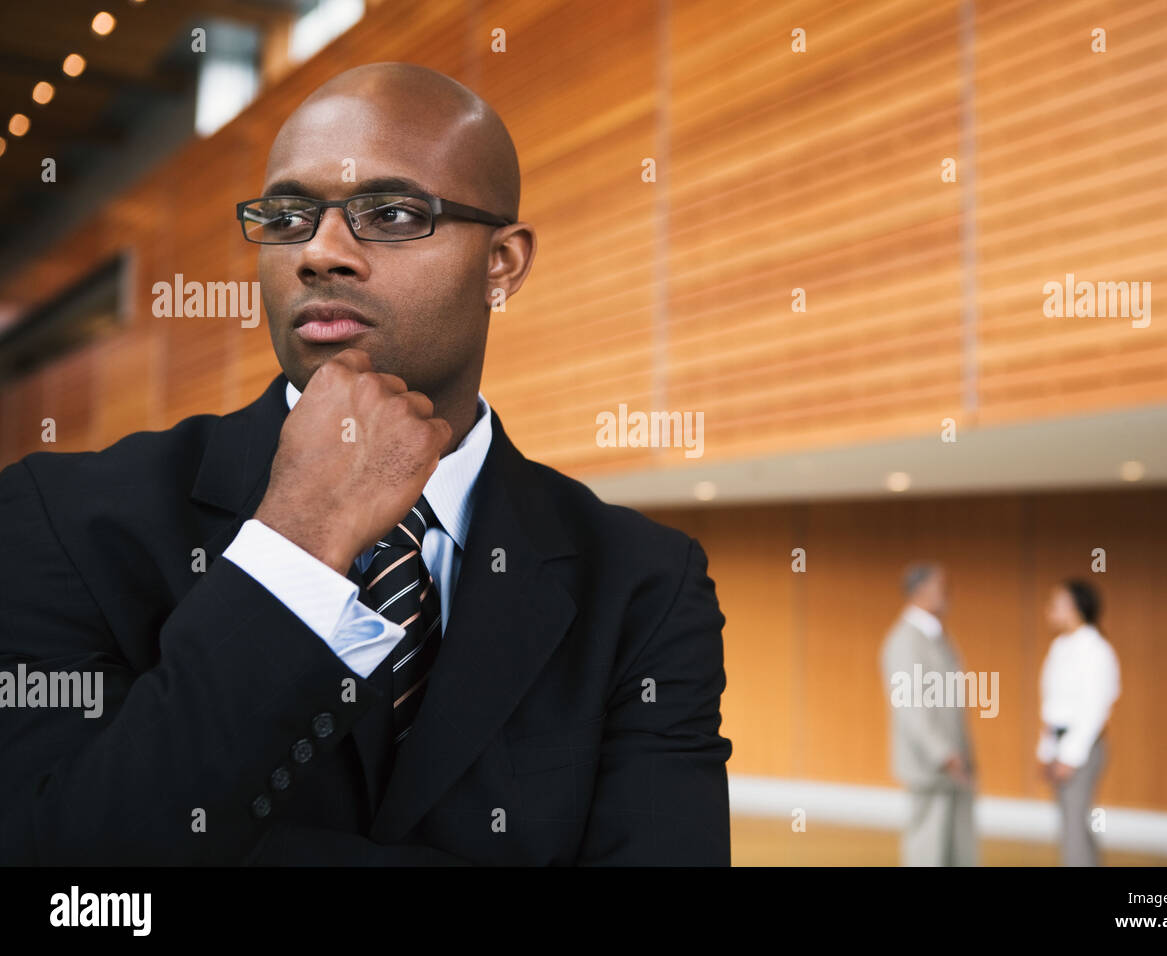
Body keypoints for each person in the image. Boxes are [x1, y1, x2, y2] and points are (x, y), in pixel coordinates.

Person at [0, 63, 731, 865]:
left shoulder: (645, 585)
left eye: (389, 212)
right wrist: (295, 545)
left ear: (503, 266)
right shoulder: (60, 518)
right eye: (287, 216)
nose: (319, 253)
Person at [879, 562, 976, 866]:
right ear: (919, 591)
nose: (948, 593)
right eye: (941, 586)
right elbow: (910, 706)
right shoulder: (905, 641)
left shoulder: (937, 636)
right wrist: (943, 752)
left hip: (950, 764)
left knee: (953, 849)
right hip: (930, 765)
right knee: (928, 848)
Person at [1036, 579, 1120, 866]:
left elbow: (1093, 710)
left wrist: (1070, 756)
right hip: (1060, 744)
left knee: (1073, 826)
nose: (1049, 609)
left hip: (1083, 747)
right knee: (1072, 824)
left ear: (1076, 608)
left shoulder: (1096, 651)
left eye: (1056, 603)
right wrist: (1047, 750)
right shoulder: (1060, 646)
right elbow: (1052, 704)